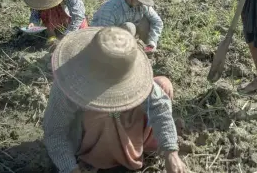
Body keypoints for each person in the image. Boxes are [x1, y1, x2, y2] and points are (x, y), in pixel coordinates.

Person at [42, 26, 187, 173]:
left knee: (163, 85)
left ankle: (141, 146)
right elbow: (55, 132)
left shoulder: (129, 74)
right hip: (91, 134)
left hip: (125, 121)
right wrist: (70, 168)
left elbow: (159, 106)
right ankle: (101, 160)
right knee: (105, 114)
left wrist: (171, 152)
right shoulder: (70, 82)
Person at [90, 0, 163, 53]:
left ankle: (145, 52)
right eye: (141, 1)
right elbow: (102, 38)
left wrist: (152, 42)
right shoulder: (110, 10)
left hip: (125, 37)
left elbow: (157, 22)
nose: (142, 4)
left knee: (145, 23)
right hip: (107, 39)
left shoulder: (141, 5)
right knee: (129, 27)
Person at [24, 0, 88, 50]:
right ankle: (52, 35)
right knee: (46, 16)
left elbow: (78, 15)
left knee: (82, 39)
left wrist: (65, 37)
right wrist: (33, 22)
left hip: (67, 15)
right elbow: (35, 11)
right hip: (51, 18)